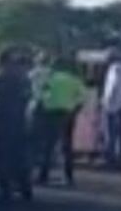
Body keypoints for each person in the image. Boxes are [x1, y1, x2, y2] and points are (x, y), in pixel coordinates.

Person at [0, 48, 34, 205]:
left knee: (3, 158)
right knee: (17, 157)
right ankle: (22, 188)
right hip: (15, 122)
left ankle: (8, 190)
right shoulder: (21, 79)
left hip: (4, 123)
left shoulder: (1, 78)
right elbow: (28, 97)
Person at [34, 58, 89, 186]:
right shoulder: (74, 80)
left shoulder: (50, 79)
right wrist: (75, 109)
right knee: (67, 146)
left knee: (49, 146)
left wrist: (45, 107)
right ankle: (69, 176)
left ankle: (43, 175)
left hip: (51, 113)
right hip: (68, 114)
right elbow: (83, 97)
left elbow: (42, 95)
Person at [101, 59, 121, 168]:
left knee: (111, 134)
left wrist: (106, 102)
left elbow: (112, 88)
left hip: (112, 107)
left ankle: (111, 158)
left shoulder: (114, 69)